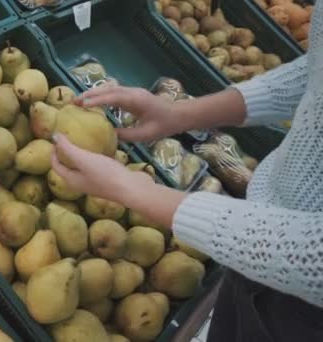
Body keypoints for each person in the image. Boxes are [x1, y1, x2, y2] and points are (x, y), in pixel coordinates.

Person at [50, 2, 323, 341]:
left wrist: (141, 193)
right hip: (259, 232)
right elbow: (315, 72)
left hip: (303, 304)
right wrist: (181, 113)